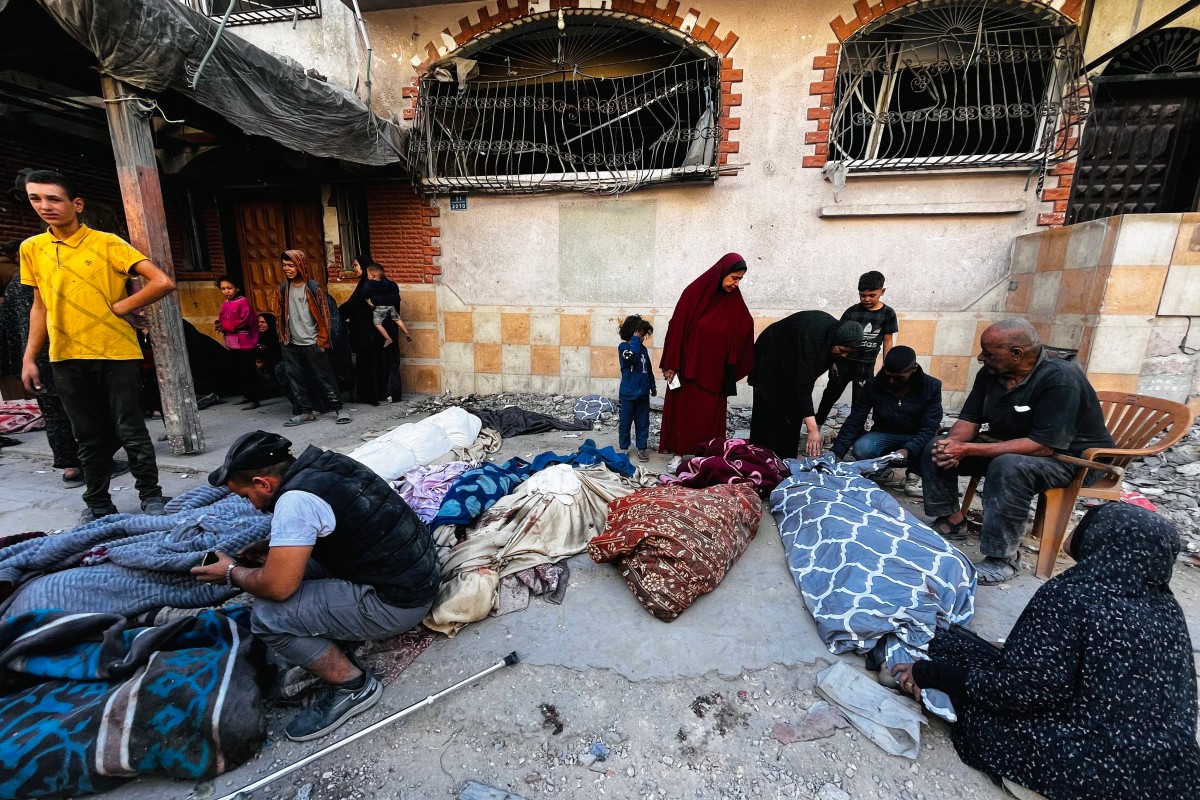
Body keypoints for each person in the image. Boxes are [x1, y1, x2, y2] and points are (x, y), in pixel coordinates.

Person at [891, 503, 1200, 800]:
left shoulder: (1071, 595)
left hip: (1095, 765)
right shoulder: (1166, 605)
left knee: (957, 672)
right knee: (969, 650)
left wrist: (928, 674)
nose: (1074, 532)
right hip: (1168, 768)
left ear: (1105, 541)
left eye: (1083, 526)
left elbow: (1023, 691)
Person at [192, 430, 439, 742]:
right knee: (271, 571)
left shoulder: (295, 502)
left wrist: (230, 572)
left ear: (262, 484)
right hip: (417, 571)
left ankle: (352, 686)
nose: (251, 505)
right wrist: (272, 546)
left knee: (267, 614)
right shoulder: (326, 464)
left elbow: (278, 588)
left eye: (246, 496)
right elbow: (340, 522)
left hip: (399, 602)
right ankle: (328, 636)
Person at [19, 170, 174, 522]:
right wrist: (29, 357)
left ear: (77, 204)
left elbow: (161, 282)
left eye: (54, 199)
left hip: (116, 351)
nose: (46, 206)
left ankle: (151, 495)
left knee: (130, 429)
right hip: (66, 354)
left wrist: (121, 307)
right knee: (85, 435)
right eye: (36, 199)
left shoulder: (107, 243)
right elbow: (39, 306)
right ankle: (98, 502)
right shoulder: (32, 249)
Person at [919, 319, 1114, 584]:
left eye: (988, 352)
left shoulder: (1061, 377)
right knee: (935, 445)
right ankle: (952, 519)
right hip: (1011, 446)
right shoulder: (990, 373)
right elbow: (969, 419)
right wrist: (952, 446)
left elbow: (1044, 445)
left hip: (1070, 459)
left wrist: (967, 448)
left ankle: (1004, 558)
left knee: (1009, 466)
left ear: (1016, 354)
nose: (980, 357)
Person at [658, 253, 755, 472]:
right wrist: (671, 362)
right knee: (683, 414)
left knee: (710, 418)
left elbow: (745, 324)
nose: (736, 284)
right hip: (688, 369)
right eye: (733, 278)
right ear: (722, 273)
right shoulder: (694, 293)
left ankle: (707, 457)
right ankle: (678, 455)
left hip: (716, 374)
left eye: (739, 279)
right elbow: (677, 328)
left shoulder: (734, 300)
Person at [749, 311, 864, 459]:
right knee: (770, 404)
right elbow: (803, 387)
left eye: (849, 353)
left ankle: (784, 458)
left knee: (794, 410)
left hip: (792, 355)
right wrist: (813, 429)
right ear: (833, 341)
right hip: (772, 350)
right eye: (842, 351)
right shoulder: (813, 340)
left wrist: (833, 361)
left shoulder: (832, 336)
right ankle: (760, 456)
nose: (844, 356)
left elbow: (812, 386)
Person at [829, 345, 941, 496]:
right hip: (884, 434)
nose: (891, 381)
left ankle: (915, 475)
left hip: (916, 436)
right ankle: (880, 469)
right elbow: (856, 419)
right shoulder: (874, 384)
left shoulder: (931, 386)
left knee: (934, 443)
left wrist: (909, 449)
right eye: (888, 375)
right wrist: (836, 453)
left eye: (898, 377)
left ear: (914, 369)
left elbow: (929, 428)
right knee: (862, 447)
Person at [275, 249, 350, 426]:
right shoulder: (284, 288)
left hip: (312, 341)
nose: (287, 268)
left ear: (301, 265)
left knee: (325, 377)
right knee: (296, 378)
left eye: (291, 265)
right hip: (291, 343)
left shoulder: (313, 288)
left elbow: (325, 317)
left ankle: (338, 409)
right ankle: (306, 412)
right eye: (285, 265)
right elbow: (280, 315)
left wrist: (322, 340)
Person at [816, 270, 898, 425]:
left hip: (866, 365)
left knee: (861, 400)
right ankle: (818, 423)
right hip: (843, 364)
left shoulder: (888, 314)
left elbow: (888, 342)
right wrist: (831, 363)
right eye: (862, 295)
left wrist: (888, 368)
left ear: (882, 291)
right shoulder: (852, 312)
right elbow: (836, 338)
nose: (866, 299)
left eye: (871, 295)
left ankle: (856, 430)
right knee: (830, 394)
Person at [339, 256, 401, 406]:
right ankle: (374, 394)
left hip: (377, 334)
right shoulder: (364, 286)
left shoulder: (377, 286)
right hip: (367, 335)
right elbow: (352, 307)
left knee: (382, 363)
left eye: (356, 266)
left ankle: (384, 394)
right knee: (372, 364)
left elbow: (392, 301)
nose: (354, 269)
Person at [617, 314, 657, 463]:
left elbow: (649, 369)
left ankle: (641, 448)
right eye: (640, 334)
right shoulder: (624, 348)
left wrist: (652, 385)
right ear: (633, 332)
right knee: (625, 423)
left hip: (643, 395)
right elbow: (630, 357)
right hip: (628, 394)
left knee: (643, 423)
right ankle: (624, 448)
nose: (642, 338)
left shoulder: (644, 350)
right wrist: (634, 340)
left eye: (643, 335)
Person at [214, 277, 260, 408]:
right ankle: (246, 395)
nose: (226, 291)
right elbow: (221, 318)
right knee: (239, 369)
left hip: (244, 341)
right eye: (223, 289)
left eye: (229, 288)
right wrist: (219, 324)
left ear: (237, 288)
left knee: (248, 370)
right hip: (232, 341)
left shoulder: (243, 301)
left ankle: (254, 399)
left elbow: (244, 320)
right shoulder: (226, 303)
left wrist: (226, 325)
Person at [363, 263, 411, 349]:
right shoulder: (391, 285)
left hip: (379, 312)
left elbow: (363, 295)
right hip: (391, 311)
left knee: (377, 324)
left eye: (367, 274)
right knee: (397, 319)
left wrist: (372, 301)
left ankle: (387, 338)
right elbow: (396, 298)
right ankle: (406, 332)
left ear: (372, 275)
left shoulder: (368, 284)